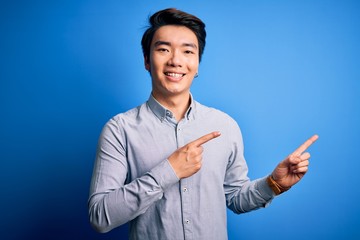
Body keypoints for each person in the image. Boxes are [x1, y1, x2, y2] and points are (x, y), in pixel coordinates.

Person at [88, 8, 318, 240]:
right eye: (163, 49)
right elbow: (100, 216)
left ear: (197, 64)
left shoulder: (225, 126)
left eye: (188, 51)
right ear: (147, 60)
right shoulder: (119, 130)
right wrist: (169, 171)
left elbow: (236, 198)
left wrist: (274, 184)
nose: (176, 60)